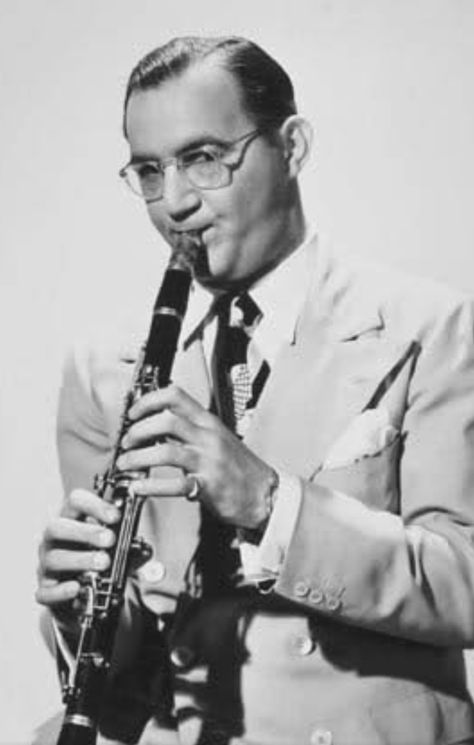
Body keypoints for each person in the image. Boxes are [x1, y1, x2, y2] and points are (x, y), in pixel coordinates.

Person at [36, 35, 474, 745]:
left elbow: (466, 582)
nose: (174, 203)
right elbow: (129, 658)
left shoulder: (433, 327)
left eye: (204, 159)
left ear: (293, 147)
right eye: (149, 171)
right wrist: (83, 611)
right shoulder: (104, 369)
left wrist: (273, 503)